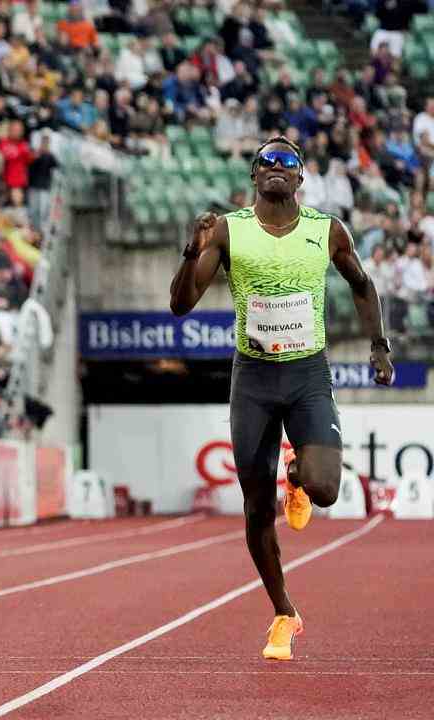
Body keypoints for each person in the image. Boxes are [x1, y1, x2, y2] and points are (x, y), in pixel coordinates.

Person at [169, 136, 394, 662]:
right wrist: (190, 250)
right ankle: (284, 612)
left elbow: (363, 286)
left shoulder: (326, 231)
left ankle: (296, 474)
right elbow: (180, 305)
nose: (276, 167)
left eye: (287, 161)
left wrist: (379, 345)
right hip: (253, 379)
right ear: (253, 176)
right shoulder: (229, 229)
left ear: (300, 178)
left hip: (308, 373)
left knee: (327, 489)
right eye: (266, 161)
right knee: (254, 509)